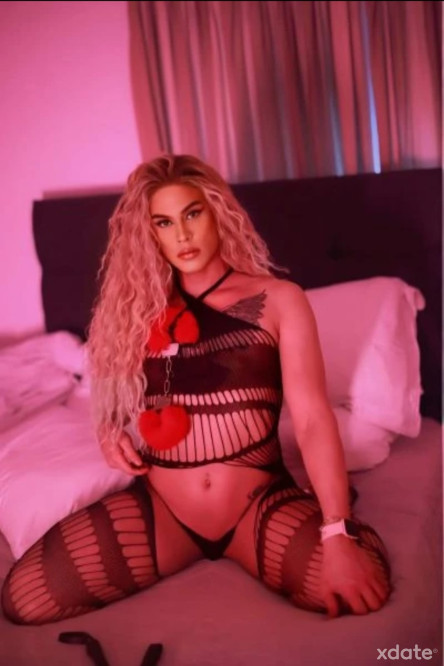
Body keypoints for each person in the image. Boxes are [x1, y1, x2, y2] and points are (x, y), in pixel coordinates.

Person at [1, 154, 391, 625]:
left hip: (257, 507)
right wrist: (107, 429)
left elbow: (311, 419)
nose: (182, 235)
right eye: (164, 223)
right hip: (163, 512)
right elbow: (111, 385)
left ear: (217, 212)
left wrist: (336, 531)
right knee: (25, 599)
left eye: (192, 214)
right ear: (149, 234)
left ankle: (333, 511)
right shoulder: (137, 311)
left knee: (362, 585)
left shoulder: (278, 300)